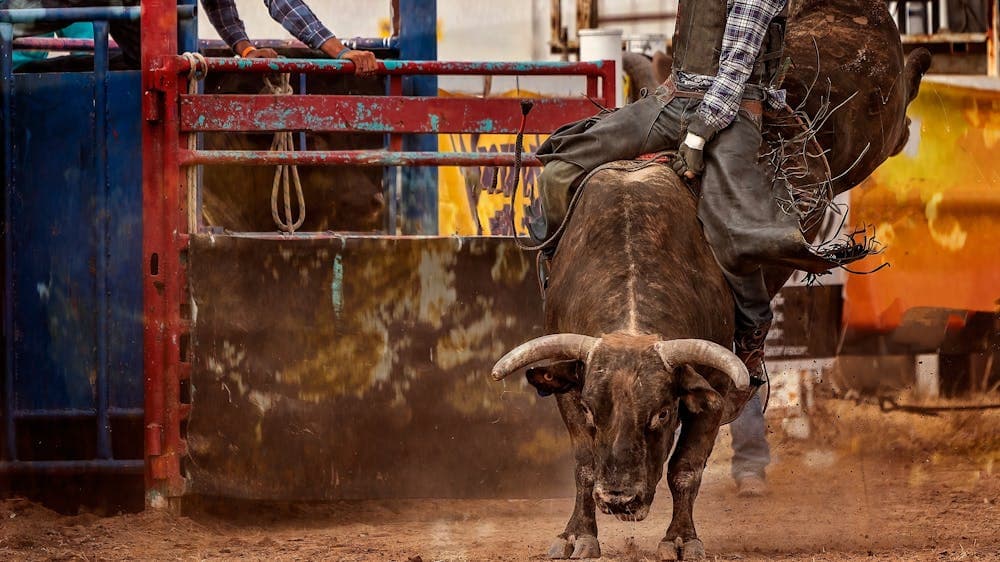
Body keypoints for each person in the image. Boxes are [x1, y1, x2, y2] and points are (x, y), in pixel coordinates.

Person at [529, 0, 870, 396]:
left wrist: (698, 134)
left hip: (736, 110)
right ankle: (554, 273)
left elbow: (733, 76)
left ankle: (752, 330)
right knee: (558, 171)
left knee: (732, 227)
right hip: (673, 99)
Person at [8, 0, 378, 75]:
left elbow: (219, 5)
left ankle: (42, 75)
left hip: (131, 18)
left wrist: (245, 48)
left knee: (148, 67)